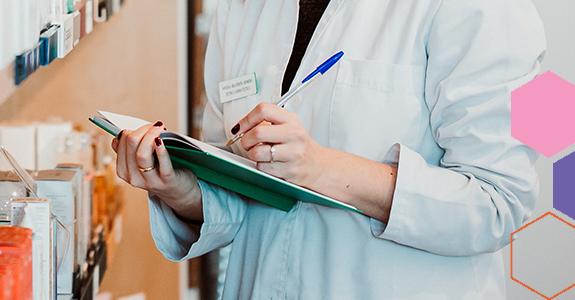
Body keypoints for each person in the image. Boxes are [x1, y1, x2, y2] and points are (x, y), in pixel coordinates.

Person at [111, 0, 546, 298]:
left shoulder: (480, 9)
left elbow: (497, 203)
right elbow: (245, 184)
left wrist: (320, 168)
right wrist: (182, 190)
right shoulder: (245, 7)